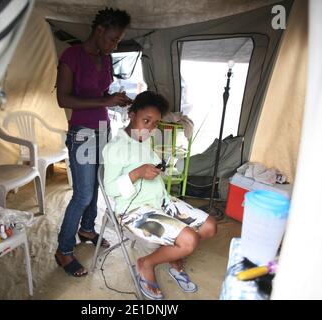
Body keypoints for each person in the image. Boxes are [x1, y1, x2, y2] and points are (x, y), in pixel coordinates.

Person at [102, 91, 217, 300]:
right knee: (189, 241)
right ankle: (146, 263)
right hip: (134, 210)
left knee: (210, 226)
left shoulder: (144, 139)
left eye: (155, 124)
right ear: (131, 113)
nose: (150, 128)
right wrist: (137, 173)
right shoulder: (114, 148)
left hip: (160, 201)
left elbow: (145, 163)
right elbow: (110, 188)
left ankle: (175, 253)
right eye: (146, 121)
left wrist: (155, 166)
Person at [55, 8, 132, 277]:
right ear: (99, 30)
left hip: (102, 127)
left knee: (98, 184)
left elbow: (100, 93)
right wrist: (105, 101)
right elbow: (64, 99)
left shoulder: (106, 58)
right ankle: (64, 251)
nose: (115, 44)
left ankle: (87, 228)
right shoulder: (72, 56)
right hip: (82, 132)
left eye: (119, 40)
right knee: (83, 193)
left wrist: (115, 97)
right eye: (113, 38)